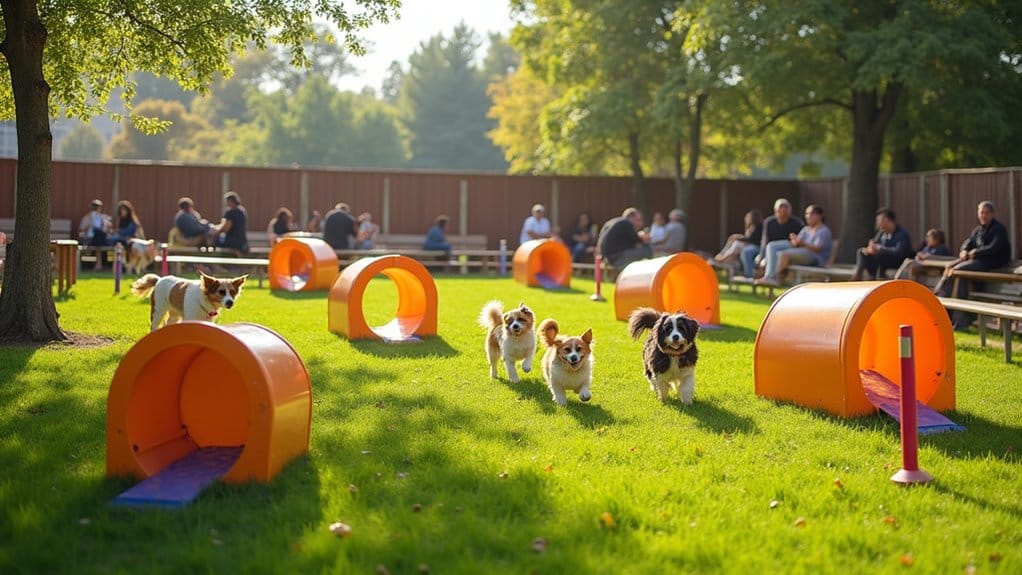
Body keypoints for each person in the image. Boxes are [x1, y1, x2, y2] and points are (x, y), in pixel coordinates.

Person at [936, 201, 1012, 330]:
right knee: (952, 269)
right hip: (977, 263)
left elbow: (994, 248)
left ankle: (958, 317)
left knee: (958, 271)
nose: (984, 215)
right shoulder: (978, 230)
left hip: (991, 263)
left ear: (992, 214)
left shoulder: (999, 229)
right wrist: (964, 250)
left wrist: (975, 252)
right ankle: (943, 305)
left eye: (986, 213)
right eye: (981, 212)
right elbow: (968, 243)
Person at [755, 204, 833, 286]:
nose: (807, 216)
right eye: (806, 214)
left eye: (810, 214)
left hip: (816, 258)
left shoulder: (823, 231)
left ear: (819, 216)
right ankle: (769, 277)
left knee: (783, 254)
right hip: (802, 252)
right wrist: (795, 241)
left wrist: (801, 243)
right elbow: (797, 244)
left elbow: (817, 249)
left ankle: (774, 279)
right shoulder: (806, 229)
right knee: (772, 246)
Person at [741, 198, 803, 278]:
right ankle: (749, 277)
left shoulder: (797, 223)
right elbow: (764, 241)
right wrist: (761, 256)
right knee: (747, 252)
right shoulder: (769, 222)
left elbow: (797, 241)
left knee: (772, 247)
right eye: (780, 211)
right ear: (776, 211)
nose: (783, 214)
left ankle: (770, 277)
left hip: (787, 248)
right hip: (769, 249)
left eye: (785, 212)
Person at [851, 208, 913, 281]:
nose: (877, 224)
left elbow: (899, 252)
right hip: (881, 259)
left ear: (886, 220)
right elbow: (875, 244)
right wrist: (870, 249)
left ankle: (878, 277)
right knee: (861, 252)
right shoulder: (882, 233)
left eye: (879, 221)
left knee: (880, 254)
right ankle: (859, 275)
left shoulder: (902, 234)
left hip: (897, 261)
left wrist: (881, 249)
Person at [78, 199, 112, 271]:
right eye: (95, 207)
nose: (97, 209)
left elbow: (108, 230)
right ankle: (99, 264)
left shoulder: (103, 217)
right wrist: (90, 224)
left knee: (99, 235)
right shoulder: (87, 217)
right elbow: (81, 230)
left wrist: (106, 225)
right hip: (90, 239)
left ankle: (99, 264)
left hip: (101, 239)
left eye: (98, 207)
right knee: (97, 234)